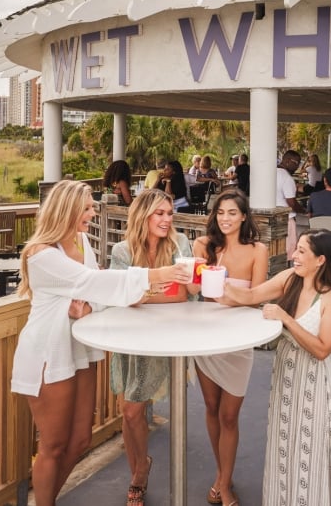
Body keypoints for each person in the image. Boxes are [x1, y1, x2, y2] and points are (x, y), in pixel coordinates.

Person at [10, 180, 191, 506]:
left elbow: (97, 291)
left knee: (79, 440)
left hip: (80, 347)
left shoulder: (81, 241)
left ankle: (48, 500)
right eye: (88, 207)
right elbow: (91, 281)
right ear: (67, 210)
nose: (93, 213)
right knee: (52, 446)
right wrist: (157, 275)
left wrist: (90, 306)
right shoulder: (40, 254)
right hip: (48, 351)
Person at [219, 230, 331, 506]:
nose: (294, 256)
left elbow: (323, 349)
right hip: (286, 378)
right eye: (296, 249)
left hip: (313, 383)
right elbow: (252, 294)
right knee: (283, 444)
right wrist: (218, 286)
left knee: (310, 451)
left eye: (302, 251)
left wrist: (285, 318)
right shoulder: (291, 280)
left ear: (321, 260)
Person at [108, 188, 194, 506]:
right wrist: (153, 288)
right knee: (128, 413)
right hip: (128, 335)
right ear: (142, 215)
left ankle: (138, 477)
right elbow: (121, 295)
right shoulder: (121, 250)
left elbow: (182, 295)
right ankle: (140, 466)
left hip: (163, 334)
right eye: (159, 213)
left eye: (169, 213)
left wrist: (142, 290)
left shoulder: (179, 244)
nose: (166, 219)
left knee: (132, 409)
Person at [191, 189, 269, 506]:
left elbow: (260, 296)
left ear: (244, 217)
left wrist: (228, 293)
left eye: (232, 213)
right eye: (221, 213)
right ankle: (223, 475)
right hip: (205, 336)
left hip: (237, 338)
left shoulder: (257, 250)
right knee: (211, 408)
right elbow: (194, 290)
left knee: (229, 416)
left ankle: (223, 484)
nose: (225, 219)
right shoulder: (203, 246)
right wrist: (191, 277)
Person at [276, 150, 307, 259]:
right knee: (289, 253)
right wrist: (303, 210)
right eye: (297, 163)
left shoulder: (270, 174)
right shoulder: (286, 178)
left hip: (273, 219)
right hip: (286, 220)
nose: (297, 167)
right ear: (288, 161)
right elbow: (291, 203)